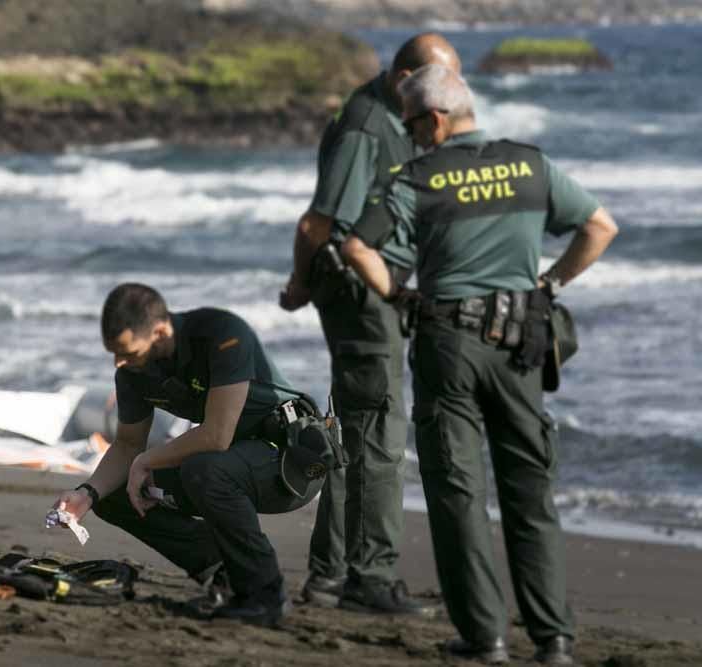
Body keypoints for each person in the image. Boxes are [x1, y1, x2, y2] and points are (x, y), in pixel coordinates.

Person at [342, 64, 618, 664]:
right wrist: (549, 283)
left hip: (449, 345)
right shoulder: (530, 165)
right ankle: (555, 639)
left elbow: (357, 245)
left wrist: (395, 294)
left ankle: (486, 638)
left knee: (459, 494)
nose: (412, 137)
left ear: (435, 120)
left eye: (413, 126)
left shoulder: (417, 179)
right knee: (530, 493)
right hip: (523, 344)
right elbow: (600, 226)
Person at [279, 32, 460, 614]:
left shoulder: (398, 115)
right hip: (356, 291)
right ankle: (369, 578)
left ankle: (333, 575)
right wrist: (300, 285)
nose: (452, 96)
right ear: (406, 76)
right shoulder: (366, 126)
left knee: (359, 429)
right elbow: (318, 224)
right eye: (442, 82)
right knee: (377, 434)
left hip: (373, 287)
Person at [51, 283, 326, 627]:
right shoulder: (133, 372)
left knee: (205, 468)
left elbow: (217, 435)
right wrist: (86, 494)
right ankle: (222, 571)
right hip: (226, 462)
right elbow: (126, 447)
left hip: (287, 463)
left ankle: (264, 593)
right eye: (114, 353)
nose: (120, 362)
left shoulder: (221, 333)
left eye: (127, 351)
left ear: (161, 331)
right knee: (112, 494)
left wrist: (146, 461)